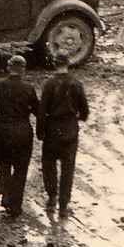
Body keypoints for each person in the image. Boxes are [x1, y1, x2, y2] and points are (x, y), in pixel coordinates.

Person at [0, 54, 39, 218]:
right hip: (23, 132)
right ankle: (15, 208)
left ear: (9, 68)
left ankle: (6, 199)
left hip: (3, 132)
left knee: (4, 167)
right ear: (23, 70)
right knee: (21, 170)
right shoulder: (28, 88)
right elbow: (38, 111)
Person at [37, 51, 90, 219]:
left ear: (54, 64)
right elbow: (85, 110)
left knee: (49, 164)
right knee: (68, 168)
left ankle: (51, 197)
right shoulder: (76, 84)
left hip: (52, 129)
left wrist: (40, 131)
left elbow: (42, 112)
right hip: (70, 129)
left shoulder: (49, 84)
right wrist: (77, 118)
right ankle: (63, 205)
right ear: (68, 64)